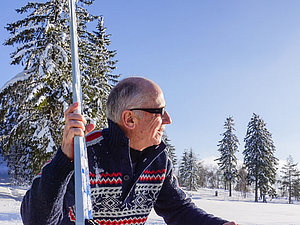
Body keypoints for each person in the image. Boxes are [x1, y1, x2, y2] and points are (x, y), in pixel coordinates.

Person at [21, 77, 238, 225]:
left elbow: (178, 209)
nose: (168, 120)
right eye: (159, 111)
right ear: (130, 119)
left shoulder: (158, 159)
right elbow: (36, 220)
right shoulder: (85, 155)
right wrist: (64, 160)